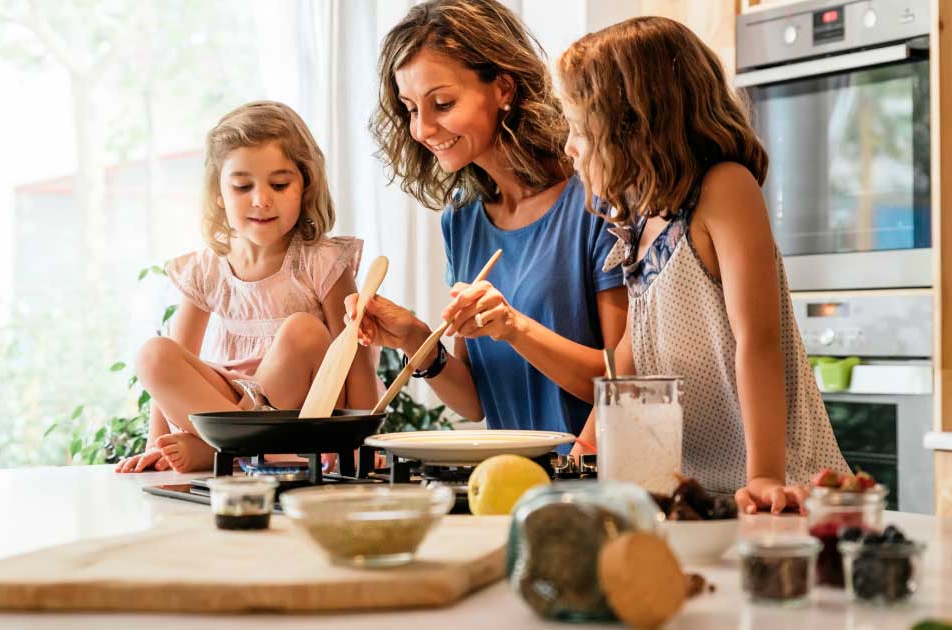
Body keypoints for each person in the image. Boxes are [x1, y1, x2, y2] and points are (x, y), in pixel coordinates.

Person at [557, 17, 850, 512]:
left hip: (778, 486)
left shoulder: (725, 189)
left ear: (635, 123)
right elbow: (632, 355)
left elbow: (758, 340)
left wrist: (764, 475)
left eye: (580, 128)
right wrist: (582, 453)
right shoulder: (638, 218)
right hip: (695, 492)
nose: (569, 146)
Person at [349, 0, 627, 451]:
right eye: (410, 109)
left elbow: (625, 383)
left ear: (503, 87)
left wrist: (514, 327)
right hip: (513, 482)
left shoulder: (594, 199)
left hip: (591, 485)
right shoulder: (462, 219)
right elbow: (476, 400)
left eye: (442, 103)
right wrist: (417, 339)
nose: (421, 129)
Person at [115, 101, 378, 473]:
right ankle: (244, 451)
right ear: (219, 194)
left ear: (305, 186)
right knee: (154, 354)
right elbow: (177, 360)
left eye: (280, 184)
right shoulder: (206, 269)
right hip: (229, 405)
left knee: (302, 331)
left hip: (297, 416)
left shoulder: (321, 261)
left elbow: (356, 360)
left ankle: (227, 451)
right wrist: (154, 444)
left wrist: (360, 447)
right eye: (242, 186)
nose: (261, 199)